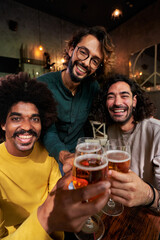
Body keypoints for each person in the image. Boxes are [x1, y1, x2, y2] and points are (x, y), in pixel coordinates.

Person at [0, 73, 111, 239]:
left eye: (34, 119)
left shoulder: (48, 155)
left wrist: (79, 184)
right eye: (16, 118)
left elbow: (59, 193)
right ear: (3, 123)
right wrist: (44, 218)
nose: (27, 127)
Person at [38, 26, 115, 174]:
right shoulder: (43, 85)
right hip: (48, 156)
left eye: (95, 60)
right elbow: (48, 131)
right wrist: (65, 156)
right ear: (71, 49)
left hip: (80, 155)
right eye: (83, 52)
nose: (86, 63)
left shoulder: (92, 87)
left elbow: (107, 109)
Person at [97, 74, 160, 212]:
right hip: (123, 209)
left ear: (135, 101)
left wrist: (149, 196)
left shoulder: (157, 132)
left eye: (124, 95)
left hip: (150, 214)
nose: (117, 102)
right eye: (111, 96)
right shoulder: (112, 130)